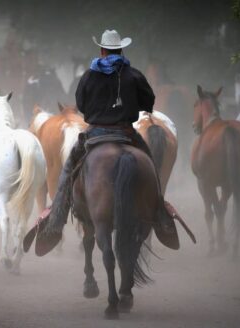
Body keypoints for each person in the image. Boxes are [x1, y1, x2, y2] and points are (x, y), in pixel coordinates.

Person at [38, 29, 180, 248]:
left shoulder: (89, 75)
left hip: (95, 134)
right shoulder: (134, 74)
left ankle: (56, 220)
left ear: (102, 50)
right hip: (127, 134)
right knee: (151, 166)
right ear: (121, 50)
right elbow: (149, 102)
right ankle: (159, 213)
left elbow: (82, 106)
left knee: (68, 170)